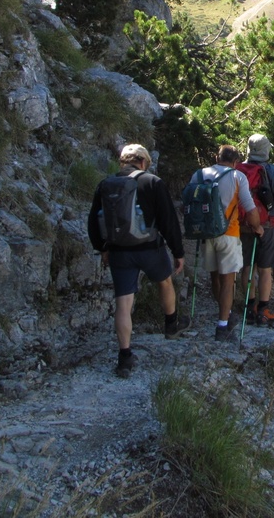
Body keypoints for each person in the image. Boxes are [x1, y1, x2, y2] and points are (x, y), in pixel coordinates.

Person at [88, 144, 189, 377]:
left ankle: (124, 357)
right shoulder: (153, 182)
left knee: (123, 303)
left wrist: (102, 248)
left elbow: (93, 221)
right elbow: (168, 221)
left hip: (119, 252)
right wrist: (178, 251)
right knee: (165, 282)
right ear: (143, 162)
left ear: (122, 162)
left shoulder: (105, 184)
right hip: (150, 249)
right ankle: (171, 324)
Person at [188, 146, 263, 342]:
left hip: (205, 233)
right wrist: (257, 227)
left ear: (216, 157)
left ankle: (226, 314)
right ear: (236, 161)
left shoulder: (198, 175)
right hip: (228, 234)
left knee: (215, 277)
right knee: (228, 281)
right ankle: (223, 326)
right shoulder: (238, 177)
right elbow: (249, 207)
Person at [236, 134, 274, 326]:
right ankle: (263, 310)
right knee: (265, 269)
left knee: (247, 266)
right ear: (265, 151)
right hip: (267, 225)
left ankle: (249, 306)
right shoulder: (270, 169)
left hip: (244, 225)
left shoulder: (238, 170)